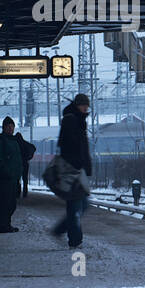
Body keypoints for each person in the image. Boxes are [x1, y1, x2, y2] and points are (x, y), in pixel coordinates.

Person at [50, 94, 92, 248]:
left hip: (77, 168)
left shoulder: (77, 119)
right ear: (78, 105)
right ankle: (75, 240)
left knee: (81, 204)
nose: (86, 108)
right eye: (84, 105)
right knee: (76, 206)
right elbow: (70, 145)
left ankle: (62, 230)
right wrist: (78, 162)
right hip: (71, 168)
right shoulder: (71, 120)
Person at [15, 128, 37, 199]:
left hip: (17, 164)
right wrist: (29, 157)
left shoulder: (15, 144)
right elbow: (33, 147)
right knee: (25, 179)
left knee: (17, 179)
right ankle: (25, 193)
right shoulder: (25, 143)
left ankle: (17, 193)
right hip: (25, 163)